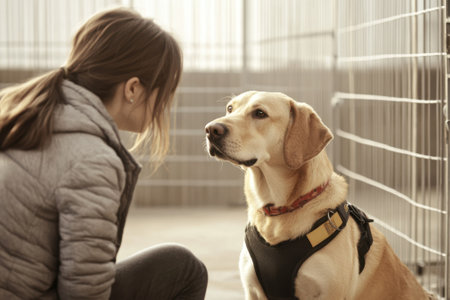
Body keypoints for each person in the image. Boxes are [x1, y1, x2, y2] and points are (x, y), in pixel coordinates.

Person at [0, 7, 208, 300]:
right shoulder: (91, 159)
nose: (165, 106)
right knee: (183, 268)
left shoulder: (27, 116)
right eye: (166, 93)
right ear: (133, 89)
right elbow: (84, 293)